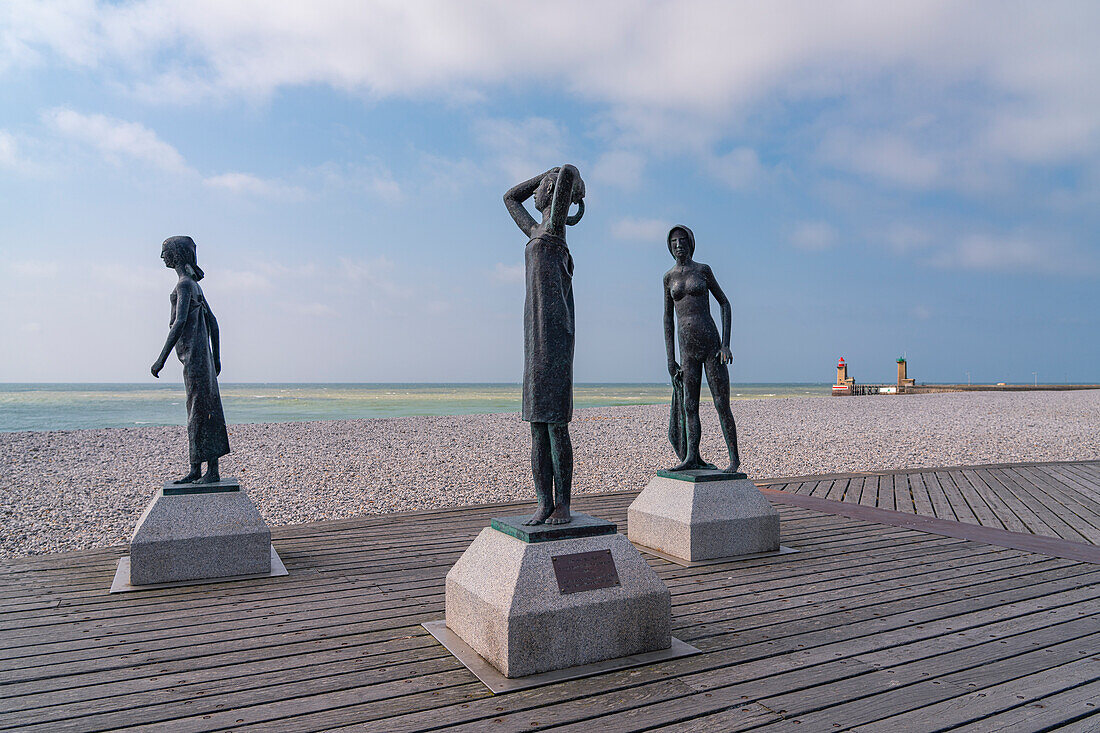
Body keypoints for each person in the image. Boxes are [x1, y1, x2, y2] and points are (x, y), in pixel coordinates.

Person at [504, 165, 585, 525]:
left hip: (555, 338)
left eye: (544, 188)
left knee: (555, 424)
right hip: (533, 339)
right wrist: (543, 179)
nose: (537, 192)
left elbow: (568, 170)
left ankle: (563, 504)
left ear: (554, 195)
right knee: (537, 424)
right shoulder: (535, 230)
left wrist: (558, 178)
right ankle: (543, 502)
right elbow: (509, 197)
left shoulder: (553, 231)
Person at [151, 236, 230, 484]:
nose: (162, 257)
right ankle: (200, 469)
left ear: (176, 255)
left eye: (165, 252)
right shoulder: (194, 286)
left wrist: (160, 359)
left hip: (195, 358)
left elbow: (180, 322)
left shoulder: (185, 286)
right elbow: (214, 324)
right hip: (200, 358)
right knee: (205, 409)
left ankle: (207, 471)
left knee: (197, 410)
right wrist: (216, 358)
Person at [663, 225, 741, 473]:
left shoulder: (703, 271)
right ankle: (691, 457)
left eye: (683, 240)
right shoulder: (669, 278)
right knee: (689, 406)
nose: (679, 245)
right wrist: (669, 358)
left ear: (691, 242)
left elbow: (725, 304)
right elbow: (667, 319)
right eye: (674, 241)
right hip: (687, 350)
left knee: (721, 403)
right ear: (669, 246)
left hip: (711, 345)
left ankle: (734, 460)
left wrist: (726, 344)